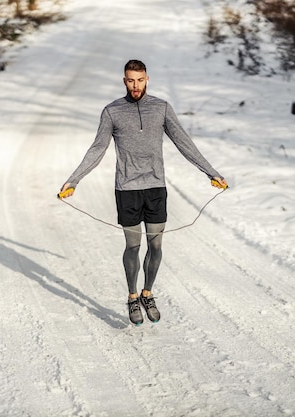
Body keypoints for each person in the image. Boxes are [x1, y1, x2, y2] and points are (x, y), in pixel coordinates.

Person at [59, 59, 227, 326]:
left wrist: (211, 172)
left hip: (155, 187)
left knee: (157, 245)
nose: (135, 85)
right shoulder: (112, 112)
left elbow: (184, 142)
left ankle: (148, 293)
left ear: (147, 79)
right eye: (130, 80)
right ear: (124, 81)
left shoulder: (160, 108)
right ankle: (132, 296)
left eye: (139, 80)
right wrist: (74, 180)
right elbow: (97, 148)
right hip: (127, 189)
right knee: (133, 246)